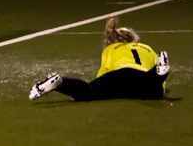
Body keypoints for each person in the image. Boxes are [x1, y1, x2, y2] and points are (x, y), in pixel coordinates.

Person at [29, 16, 169, 102]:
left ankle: (61, 83)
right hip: (141, 76)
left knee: (90, 91)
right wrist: (159, 86)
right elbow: (161, 87)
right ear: (134, 40)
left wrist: (99, 86)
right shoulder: (146, 48)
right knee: (147, 90)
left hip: (117, 75)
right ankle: (157, 73)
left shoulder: (109, 50)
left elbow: (101, 77)